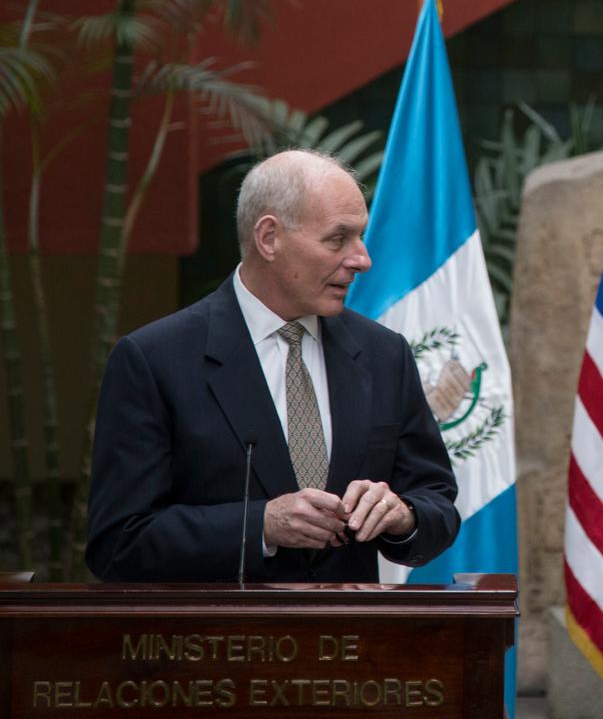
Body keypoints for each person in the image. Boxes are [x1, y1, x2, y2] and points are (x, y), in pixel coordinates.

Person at [86, 149, 460, 582]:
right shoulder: (154, 360)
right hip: (214, 641)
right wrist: (260, 526)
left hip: (356, 640)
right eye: (338, 239)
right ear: (269, 238)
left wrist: (404, 515)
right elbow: (118, 543)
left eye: (360, 237)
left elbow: (436, 502)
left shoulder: (384, 353)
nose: (362, 259)